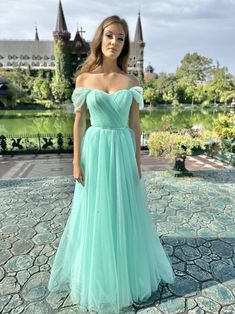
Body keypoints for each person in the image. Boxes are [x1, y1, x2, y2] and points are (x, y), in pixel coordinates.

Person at [48, 15, 174, 313]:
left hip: (120, 150)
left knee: (123, 210)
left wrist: (137, 162)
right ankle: (99, 272)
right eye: (110, 36)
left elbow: (134, 126)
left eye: (120, 38)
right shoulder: (83, 79)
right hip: (95, 151)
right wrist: (76, 162)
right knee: (96, 212)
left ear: (125, 45)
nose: (114, 42)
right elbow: (79, 124)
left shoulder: (131, 82)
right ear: (99, 39)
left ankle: (126, 271)